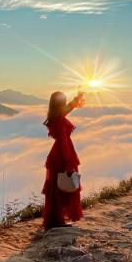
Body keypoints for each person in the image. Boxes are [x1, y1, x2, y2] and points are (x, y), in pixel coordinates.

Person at [41, 90, 85, 230]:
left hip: (58, 153)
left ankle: (55, 219)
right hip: (62, 152)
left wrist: (78, 98)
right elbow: (63, 140)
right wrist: (67, 160)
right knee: (62, 186)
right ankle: (57, 220)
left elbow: (69, 108)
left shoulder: (54, 115)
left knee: (55, 187)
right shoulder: (58, 117)